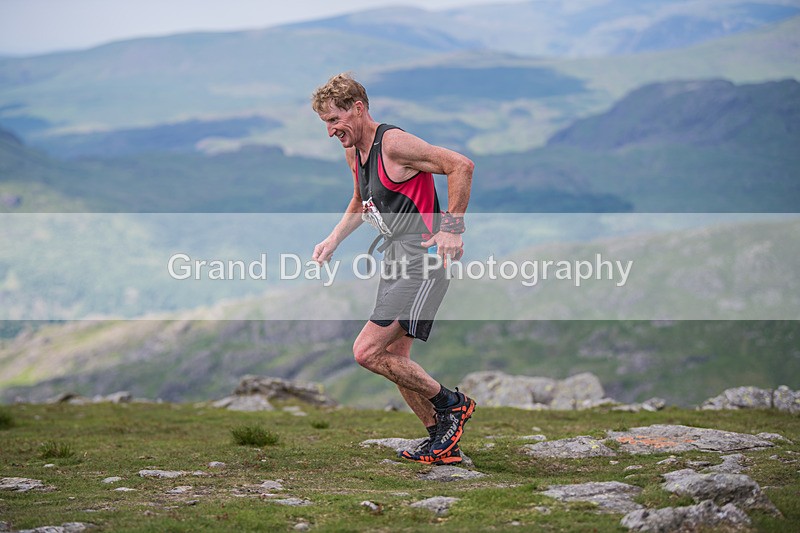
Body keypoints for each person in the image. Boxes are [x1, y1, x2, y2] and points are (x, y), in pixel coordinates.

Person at [310, 73, 476, 465]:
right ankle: (441, 440)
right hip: (396, 259)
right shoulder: (355, 152)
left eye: (335, 120)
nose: (331, 131)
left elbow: (461, 165)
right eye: (325, 124)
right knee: (396, 357)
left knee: (366, 352)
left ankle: (452, 405)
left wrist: (452, 226)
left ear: (359, 108)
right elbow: (359, 200)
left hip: (423, 260)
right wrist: (333, 239)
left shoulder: (395, 144)